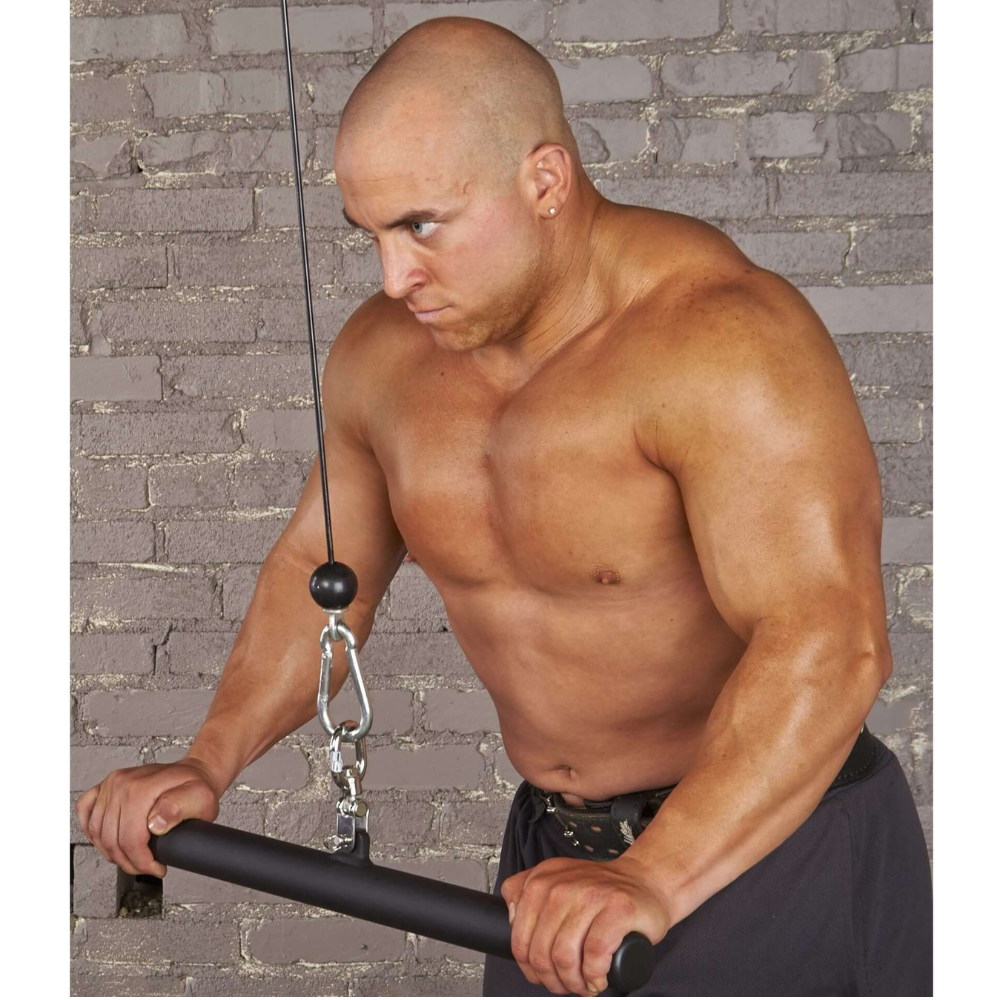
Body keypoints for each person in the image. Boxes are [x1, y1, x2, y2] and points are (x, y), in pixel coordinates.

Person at [75, 16, 932, 997]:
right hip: (553, 866)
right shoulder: (385, 355)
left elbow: (828, 637)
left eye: (423, 226)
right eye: (373, 234)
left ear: (545, 182)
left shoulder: (721, 343)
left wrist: (654, 873)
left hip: (765, 848)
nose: (395, 278)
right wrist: (206, 760)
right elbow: (315, 571)